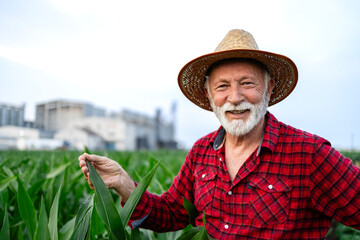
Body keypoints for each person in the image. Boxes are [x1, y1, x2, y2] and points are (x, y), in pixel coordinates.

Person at [79, 29, 360, 239]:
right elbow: (171, 214)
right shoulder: (201, 151)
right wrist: (123, 183)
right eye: (222, 86)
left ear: (269, 88)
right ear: (209, 95)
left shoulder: (308, 154)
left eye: (247, 83)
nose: (235, 97)